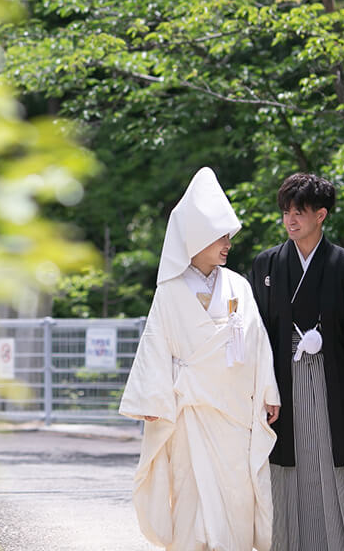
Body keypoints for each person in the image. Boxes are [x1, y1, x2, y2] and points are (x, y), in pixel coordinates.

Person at [120, 167, 281, 551]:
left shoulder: (238, 285)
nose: (228, 243)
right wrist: (150, 401)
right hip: (189, 410)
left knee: (237, 493)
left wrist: (269, 391)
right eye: (219, 236)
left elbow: (258, 341)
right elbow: (156, 345)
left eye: (228, 235)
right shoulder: (170, 291)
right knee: (191, 496)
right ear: (194, 238)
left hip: (234, 410)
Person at [249, 173, 344, 551]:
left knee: (332, 459)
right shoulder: (267, 265)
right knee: (287, 462)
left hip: (333, 381)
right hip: (281, 381)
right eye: (286, 212)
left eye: (299, 212)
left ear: (321, 215)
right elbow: (253, 334)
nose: (290, 220)